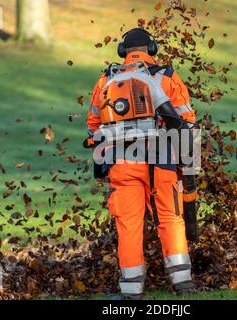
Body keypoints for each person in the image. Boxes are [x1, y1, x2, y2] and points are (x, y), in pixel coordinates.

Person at [85, 28, 196, 299]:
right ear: (152, 49)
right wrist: (187, 165)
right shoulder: (167, 77)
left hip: (122, 164)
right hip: (162, 161)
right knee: (170, 217)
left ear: (123, 51)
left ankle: (132, 290)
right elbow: (187, 123)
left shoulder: (105, 80)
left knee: (129, 224)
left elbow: (92, 129)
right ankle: (183, 284)